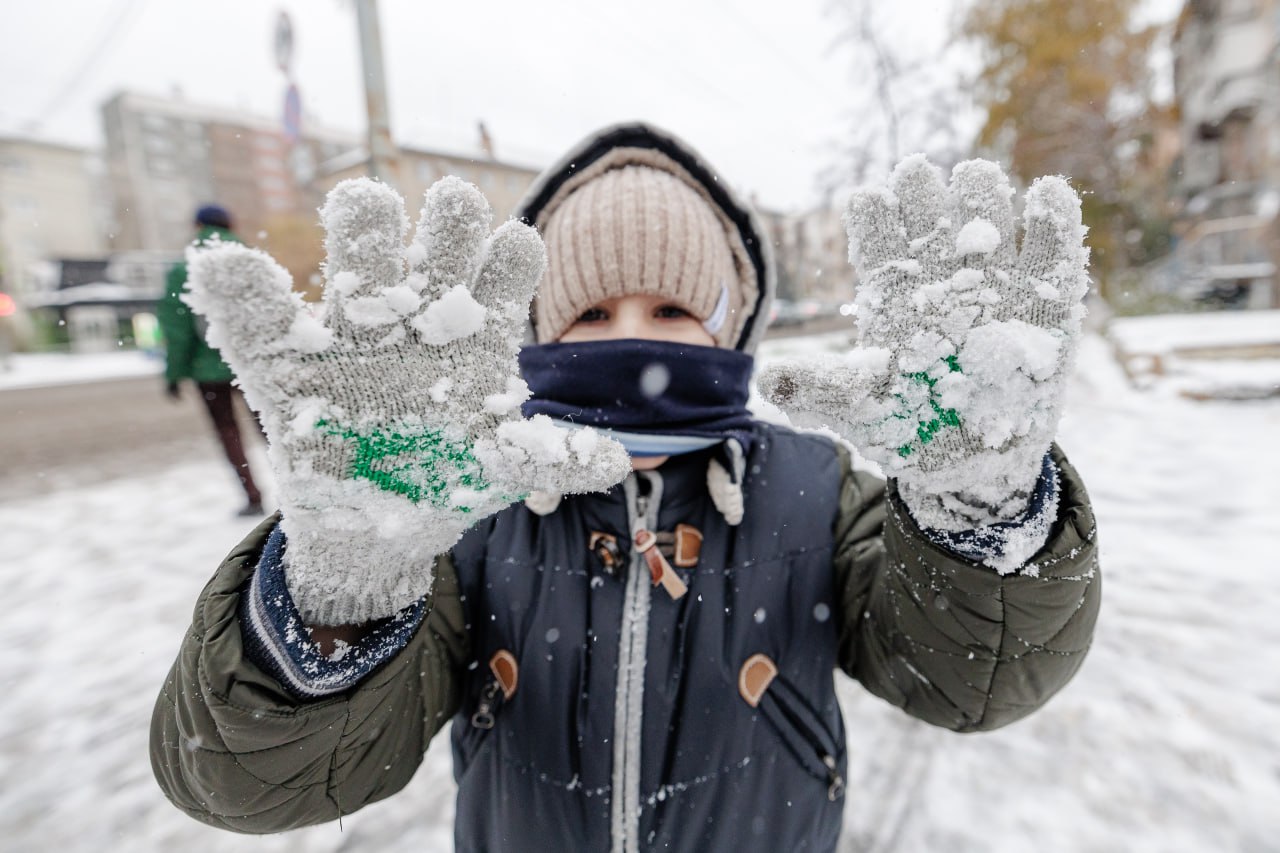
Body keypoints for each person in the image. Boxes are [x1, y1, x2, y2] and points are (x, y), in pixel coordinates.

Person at [150, 124, 1100, 852]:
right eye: (592, 310)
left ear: (732, 328)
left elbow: (973, 680)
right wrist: (348, 581)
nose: (628, 336)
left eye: (673, 308)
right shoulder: (465, 516)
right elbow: (252, 782)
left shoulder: (815, 489)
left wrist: (978, 504)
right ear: (536, 336)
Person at [156, 204, 267, 516]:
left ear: (197, 226)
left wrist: (174, 373)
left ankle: (253, 495)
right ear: (231, 223)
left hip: (208, 369)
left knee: (228, 431)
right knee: (271, 428)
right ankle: (297, 490)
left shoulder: (184, 268)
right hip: (254, 364)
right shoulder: (253, 261)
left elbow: (177, 329)